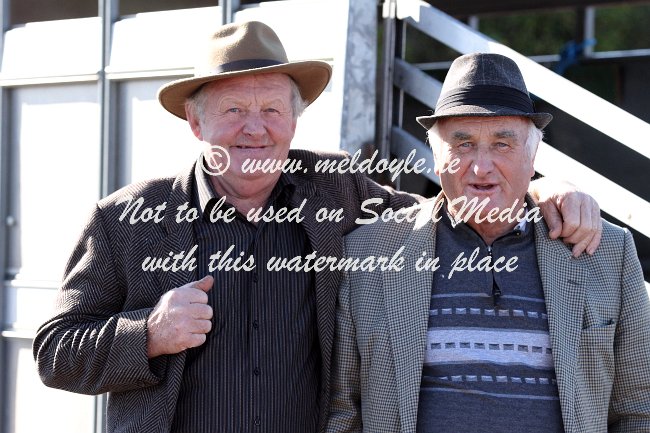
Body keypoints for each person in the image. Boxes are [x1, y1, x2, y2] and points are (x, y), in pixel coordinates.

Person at [33, 21, 601, 433]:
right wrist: (149, 333)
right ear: (195, 122)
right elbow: (55, 352)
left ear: (295, 119)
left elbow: (447, 206)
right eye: (233, 110)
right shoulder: (127, 219)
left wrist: (541, 189)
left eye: (272, 110)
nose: (255, 129)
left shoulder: (336, 189)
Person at [326, 53, 650, 433]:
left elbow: (639, 410)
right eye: (463, 144)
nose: (481, 167)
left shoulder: (607, 253)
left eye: (502, 144)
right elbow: (342, 414)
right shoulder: (368, 254)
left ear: (533, 157)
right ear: (436, 156)